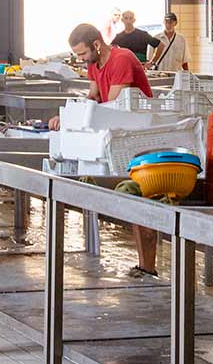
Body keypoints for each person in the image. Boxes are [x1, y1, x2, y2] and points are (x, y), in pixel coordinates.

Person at [53, 23, 161, 278]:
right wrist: (66, 117)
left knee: (140, 197)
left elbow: (111, 106)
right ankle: (145, 266)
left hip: (140, 135)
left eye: (82, 54)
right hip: (117, 138)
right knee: (132, 197)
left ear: (97, 45)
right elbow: (93, 98)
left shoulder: (122, 59)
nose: (81, 60)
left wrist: (83, 116)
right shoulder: (94, 64)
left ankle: (148, 266)